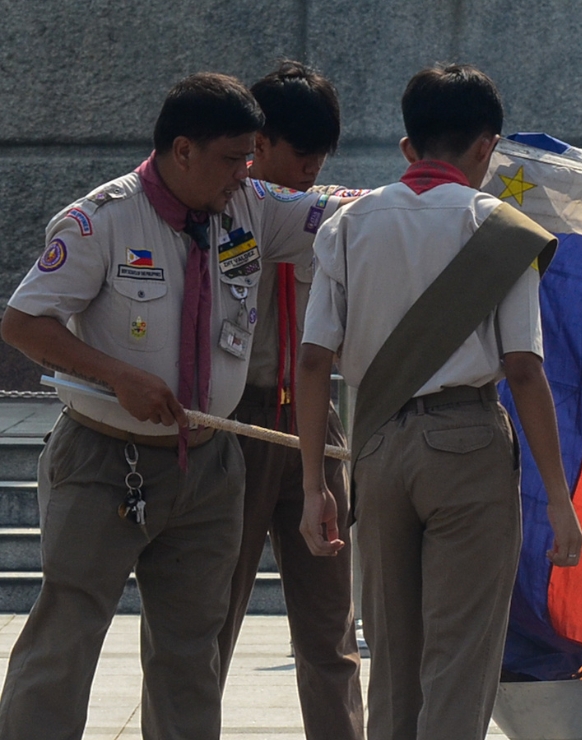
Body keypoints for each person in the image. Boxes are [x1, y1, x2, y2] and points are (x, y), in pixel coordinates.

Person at [0, 72, 349, 740]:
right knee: (66, 637)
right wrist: (115, 374)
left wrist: (443, 192)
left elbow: (344, 211)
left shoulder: (249, 206)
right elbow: (24, 322)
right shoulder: (97, 220)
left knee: (192, 651)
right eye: (231, 158)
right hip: (104, 462)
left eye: (251, 157)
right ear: (181, 150)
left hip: (208, 471)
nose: (244, 173)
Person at [296, 63, 582, 740]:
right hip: (466, 445)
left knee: (392, 657)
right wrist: (559, 497)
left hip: (376, 446)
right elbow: (522, 368)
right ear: (487, 147)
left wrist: (315, 485)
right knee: (459, 659)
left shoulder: (347, 223)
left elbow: (313, 361)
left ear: (408, 146)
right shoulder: (499, 227)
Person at [216, 60, 364, 740]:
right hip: (234, 421)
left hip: (311, 422)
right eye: (297, 153)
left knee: (330, 632)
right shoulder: (215, 209)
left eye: (320, 156)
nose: (309, 168)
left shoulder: (328, 217)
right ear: (259, 142)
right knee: (210, 623)